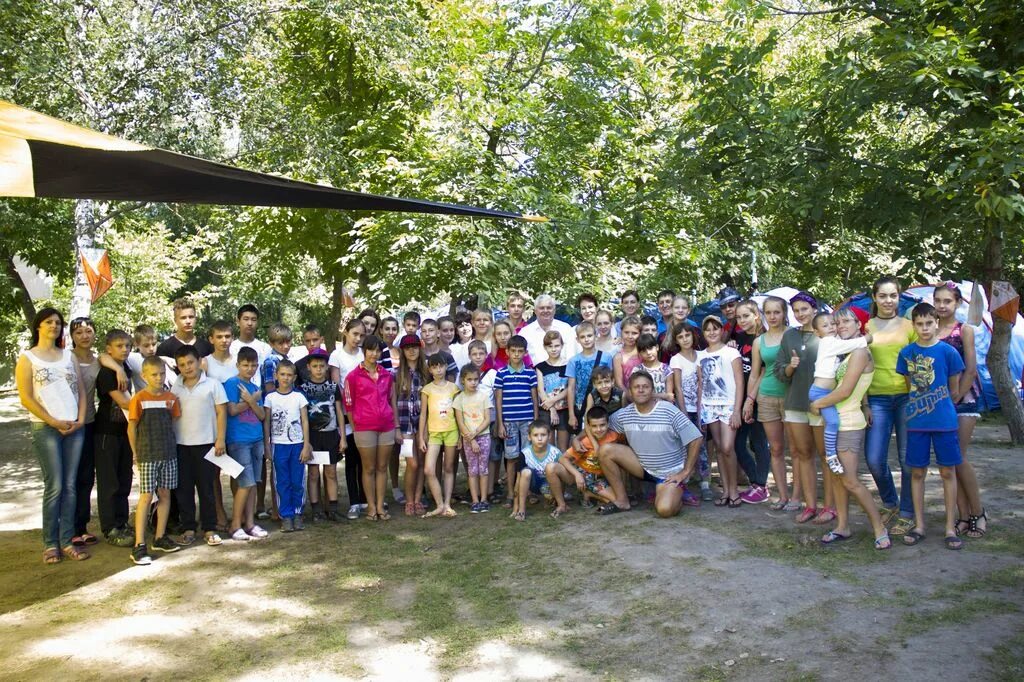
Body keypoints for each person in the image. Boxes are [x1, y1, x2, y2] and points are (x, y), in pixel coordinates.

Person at [808, 309, 891, 549]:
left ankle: (879, 526)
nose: (840, 325)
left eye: (846, 321)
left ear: (858, 324)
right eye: (837, 322)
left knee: (850, 480)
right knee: (836, 478)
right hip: (836, 418)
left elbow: (845, 391)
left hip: (849, 423)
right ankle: (842, 526)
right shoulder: (844, 351)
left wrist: (818, 404)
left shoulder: (859, 352)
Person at [16, 308, 88, 564]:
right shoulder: (28, 358)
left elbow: (80, 389)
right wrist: (52, 421)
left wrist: (80, 420)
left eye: (58, 323)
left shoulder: (68, 356)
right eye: (49, 322)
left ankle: (68, 540)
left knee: (70, 486)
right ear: (38, 326)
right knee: (55, 486)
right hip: (45, 428)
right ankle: (50, 543)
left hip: (73, 428)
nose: (54, 326)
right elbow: (26, 397)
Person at [896, 303, 965, 549]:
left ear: (937, 322)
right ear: (913, 325)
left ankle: (949, 527)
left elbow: (954, 389)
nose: (925, 328)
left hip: (944, 422)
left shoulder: (949, 353)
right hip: (917, 422)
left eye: (929, 323)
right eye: (919, 324)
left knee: (948, 471)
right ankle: (920, 525)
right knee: (917, 472)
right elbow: (909, 386)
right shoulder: (906, 354)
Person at [596, 372, 704, 518]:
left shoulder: (668, 410)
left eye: (645, 387)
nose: (640, 390)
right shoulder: (625, 414)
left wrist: (685, 472)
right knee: (605, 451)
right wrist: (578, 439)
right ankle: (622, 500)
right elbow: (600, 425)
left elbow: (696, 438)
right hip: (643, 467)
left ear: (652, 390)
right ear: (630, 391)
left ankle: (677, 491)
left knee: (664, 510)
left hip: (669, 474)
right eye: (636, 387)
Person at [864, 276, 917, 535]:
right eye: (882, 296)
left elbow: (921, 359)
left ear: (899, 297)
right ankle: (889, 502)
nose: (888, 301)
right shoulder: (866, 326)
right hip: (876, 399)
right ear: (874, 297)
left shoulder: (909, 326)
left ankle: (908, 511)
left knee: (908, 459)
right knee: (874, 459)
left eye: (892, 296)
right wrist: (864, 403)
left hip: (907, 398)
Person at [933, 282, 987, 538]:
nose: (942, 306)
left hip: (963, 400)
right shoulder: (930, 330)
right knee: (948, 462)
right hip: (938, 403)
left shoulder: (963, 330)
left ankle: (978, 513)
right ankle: (963, 516)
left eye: (947, 301)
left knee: (959, 457)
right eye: (938, 301)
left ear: (957, 304)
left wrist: (956, 396)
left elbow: (971, 368)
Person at [775, 291, 829, 522]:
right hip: (795, 402)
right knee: (803, 454)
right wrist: (790, 366)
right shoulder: (789, 337)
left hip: (821, 404)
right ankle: (810, 505)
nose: (800, 314)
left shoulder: (826, 333)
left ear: (814, 309)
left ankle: (830, 505)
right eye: (796, 311)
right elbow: (779, 370)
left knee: (826, 456)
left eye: (804, 309)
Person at [126, 356, 183, 565]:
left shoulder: (171, 398)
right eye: (154, 375)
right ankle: (139, 544)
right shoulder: (139, 398)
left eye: (161, 374)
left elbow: (174, 421)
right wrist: (135, 453)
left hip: (168, 453)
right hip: (147, 455)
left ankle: (159, 537)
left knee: (165, 494)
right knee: (146, 497)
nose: (158, 378)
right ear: (144, 376)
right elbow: (131, 427)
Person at [170, 345, 228, 546]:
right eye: (182, 364)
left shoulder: (213, 385)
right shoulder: (175, 387)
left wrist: (220, 439)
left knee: (207, 488)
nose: (187, 367)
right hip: (181, 445)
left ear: (199, 361)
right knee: (184, 489)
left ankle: (210, 527)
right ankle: (188, 527)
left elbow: (221, 412)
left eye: (190, 362)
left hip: (206, 444)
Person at [807, 312, 872, 474]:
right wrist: (869, 337)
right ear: (817, 332)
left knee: (832, 422)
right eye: (826, 325)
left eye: (833, 324)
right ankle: (831, 456)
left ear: (858, 324)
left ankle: (830, 455)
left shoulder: (838, 344)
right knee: (833, 423)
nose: (833, 327)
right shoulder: (829, 342)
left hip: (825, 393)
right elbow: (860, 342)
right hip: (820, 392)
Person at [344, 335, 398, 521]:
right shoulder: (353, 376)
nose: (374, 354)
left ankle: (381, 506)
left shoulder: (386, 375)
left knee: (382, 467)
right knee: (368, 468)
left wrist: (395, 424)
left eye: (377, 351)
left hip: (386, 426)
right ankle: (371, 507)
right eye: (370, 350)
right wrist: (355, 427)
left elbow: (392, 400)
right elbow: (349, 406)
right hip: (364, 427)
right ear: (364, 350)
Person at [746, 296, 794, 510]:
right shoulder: (759, 341)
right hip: (766, 396)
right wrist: (749, 401)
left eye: (777, 312)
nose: (773, 316)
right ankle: (782, 496)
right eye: (769, 312)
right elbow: (755, 374)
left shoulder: (793, 336)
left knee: (799, 450)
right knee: (775, 449)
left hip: (792, 397)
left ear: (784, 313)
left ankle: (798, 498)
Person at [93, 329, 136, 548]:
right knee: (109, 482)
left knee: (124, 480)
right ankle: (110, 528)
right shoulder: (108, 373)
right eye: (119, 346)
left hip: (124, 432)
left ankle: (122, 521)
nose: (125, 349)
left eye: (128, 345)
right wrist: (154, 403)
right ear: (109, 349)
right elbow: (125, 402)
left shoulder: (124, 367)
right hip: (106, 433)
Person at [222, 346, 269, 540]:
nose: (249, 369)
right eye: (245, 365)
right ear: (238, 365)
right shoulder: (232, 384)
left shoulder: (255, 389)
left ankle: (250, 523)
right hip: (238, 441)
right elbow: (231, 410)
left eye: (253, 365)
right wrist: (251, 401)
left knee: (253, 483)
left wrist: (252, 399)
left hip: (256, 439)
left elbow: (261, 415)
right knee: (245, 482)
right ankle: (235, 525)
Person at [263, 359, 312, 532]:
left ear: (294, 377)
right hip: (278, 445)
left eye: (289, 375)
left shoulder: (299, 397)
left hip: (297, 444)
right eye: (282, 374)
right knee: (281, 481)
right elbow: (267, 422)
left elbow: (305, 421)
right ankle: (286, 515)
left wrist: (306, 445)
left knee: (297, 480)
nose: (285, 378)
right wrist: (267, 445)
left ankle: (298, 513)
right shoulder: (270, 398)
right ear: (276, 375)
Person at [699, 316, 744, 507]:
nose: (712, 332)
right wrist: (701, 409)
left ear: (721, 331)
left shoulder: (731, 353)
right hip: (709, 406)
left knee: (727, 447)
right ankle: (725, 490)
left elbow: (740, 381)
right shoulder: (700, 356)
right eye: (708, 329)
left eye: (715, 328)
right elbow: (701, 383)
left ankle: (734, 490)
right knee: (718, 447)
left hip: (728, 405)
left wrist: (737, 410)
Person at [297, 349, 346, 522]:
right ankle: (316, 509)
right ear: (308, 367)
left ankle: (332, 508)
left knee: (331, 472)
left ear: (327, 367)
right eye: (315, 366)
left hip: (331, 435)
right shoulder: (302, 389)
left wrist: (343, 437)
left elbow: (339, 412)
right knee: (313, 474)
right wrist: (305, 441)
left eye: (322, 366)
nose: (319, 369)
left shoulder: (333, 387)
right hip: (312, 437)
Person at [732, 301, 772, 504]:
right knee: (737, 443)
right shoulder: (738, 337)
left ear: (756, 315)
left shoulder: (764, 337)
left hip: (758, 397)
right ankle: (756, 481)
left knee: (758, 442)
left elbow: (763, 371)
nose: (741, 321)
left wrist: (751, 399)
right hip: (741, 397)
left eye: (745, 316)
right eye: (738, 317)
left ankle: (761, 485)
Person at [669, 322, 712, 502]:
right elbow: (678, 388)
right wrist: (684, 412)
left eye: (687, 335)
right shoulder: (676, 359)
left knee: (702, 447)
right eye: (681, 336)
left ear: (694, 336)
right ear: (676, 340)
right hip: (684, 409)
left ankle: (705, 483)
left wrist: (701, 410)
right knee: (684, 447)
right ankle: (683, 481)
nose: (685, 339)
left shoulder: (702, 355)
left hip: (703, 409)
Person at [495, 335, 539, 507]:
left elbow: (534, 398)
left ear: (525, 352)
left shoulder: (530, 373)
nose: (516, 354)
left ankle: (529, 490)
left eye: (520, 351)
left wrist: (535, 420)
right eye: (513, 351)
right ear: (507, 352)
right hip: (509, 422)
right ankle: (511, 493)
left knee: (528, 456)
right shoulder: (501, 374)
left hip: (527, 420)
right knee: (512, 457)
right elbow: (498, 400)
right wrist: (500, 423)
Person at [329, 319, 367, 520]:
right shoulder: (336, 355)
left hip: (364, 412)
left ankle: (365, 498)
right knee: (351, 458)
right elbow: (336, 385)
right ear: (346, 332)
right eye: (355, 334)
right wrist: (349, 403)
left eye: (361, 335)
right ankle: (354, 502)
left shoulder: (363, 354)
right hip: (346, 412)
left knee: (364, 458)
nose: (358, 339)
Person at [202, 320, 237, 531]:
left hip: (237, 424)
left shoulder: (237, 362)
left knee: (235, 470)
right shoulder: (205, 363)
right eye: (219, 337)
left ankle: (238, 512)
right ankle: (218, 512)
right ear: (211, 339)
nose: (224, 341)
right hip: (214, 424)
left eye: (227, 336)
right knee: (213, 472)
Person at [69, 316, 100, 546]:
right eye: (79, 332)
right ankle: (68, 528)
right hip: (67, 424)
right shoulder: (66, 359)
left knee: (86, 477)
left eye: (88, 331)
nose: (84, 336)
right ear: (71, 337)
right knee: (69, 478)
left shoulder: (99, 361)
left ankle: (82, 526)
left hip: (89, 422)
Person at [420, 353, 461, 518]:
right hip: (434, 433)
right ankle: (439, 504)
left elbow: (459, 413)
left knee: (449, 468)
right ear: (430, 370)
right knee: (429, 469)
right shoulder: (427, 390)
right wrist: (421, 436)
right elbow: (424, 414)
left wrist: (461, 435)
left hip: (452, 431)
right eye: (434, 367)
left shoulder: (453, 388)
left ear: (445, 367)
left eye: (441, 366)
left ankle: (447, 504)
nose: (438, 370)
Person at [511, 421, 572, 521]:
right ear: (529, 437)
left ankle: (559, 503)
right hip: (535, 485)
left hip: (552, 485)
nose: (539, 439)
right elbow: (518, 481)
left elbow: (566, 472)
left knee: (555, 467)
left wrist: (577, 475)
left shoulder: (555, 451)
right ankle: (522, 510)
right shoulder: (524, 454)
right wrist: (516, 506)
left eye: (543, 435)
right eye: (535, 435)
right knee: (525, 472)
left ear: (549, 436)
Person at [395, 334, 427, 515]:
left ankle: (416, 499)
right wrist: (396, 428)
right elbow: (393, 402)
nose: (412, 350)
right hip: (405, 424)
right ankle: (408, 500)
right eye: (408, 348)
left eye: (415, 347)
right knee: (412, 463)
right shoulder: (397, 374)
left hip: (422, 424)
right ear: (403, 351)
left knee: (422, 462)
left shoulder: (427, 373)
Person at [454, 364, 493, 513]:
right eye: (469, 379)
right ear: (463, 380)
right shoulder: (459, 399)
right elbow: (460, 422)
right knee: (472, 469)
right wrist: (471, 440)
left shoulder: (483, 397)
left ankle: (484, 499)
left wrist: (475, 434)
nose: (473, 382)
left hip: (483, 436)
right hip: (468, 438)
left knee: (483, 468)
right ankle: (475, 500)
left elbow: (487, 419)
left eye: (476, 379)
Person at [566, 321, 613, 432]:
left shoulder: (606, 357)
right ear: (577, 340)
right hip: (580, 406)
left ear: (596, 336)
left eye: (589, 336)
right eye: (582, 337)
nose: (586, 339)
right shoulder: (573, 361)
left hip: (602, 405)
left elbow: (611, 382)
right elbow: (571, 388)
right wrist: (571, 414)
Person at [535, 331, 570, 451]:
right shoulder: (540, 367)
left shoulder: (569, 365)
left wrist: (553, 401)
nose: (553, 349)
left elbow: (569, 389)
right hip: (546, 410)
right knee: (548, 448)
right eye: (550, 346)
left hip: (564, 410)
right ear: (545, 347)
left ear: (562, 346)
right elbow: (540, 390)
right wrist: (552, 409)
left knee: (563, 448)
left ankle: (563, 470)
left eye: (556, 346)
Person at [520, 294, 576, 362]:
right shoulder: (525, 333)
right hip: (534, 372)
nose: (545, 311)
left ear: (554, 310)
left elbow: (572, 356)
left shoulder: (566, 329)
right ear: (535, 311)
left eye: (549, 308)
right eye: (542, 308)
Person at [229, 304, 271, 369]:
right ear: (238, 321)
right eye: (246, 319)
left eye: (253, 320)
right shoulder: (230, 348)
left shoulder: (265, 348)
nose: (250, 323)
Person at [635, 333, 673, 404]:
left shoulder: (667, 369)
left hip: (662, 409)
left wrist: (666, 396)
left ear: (657, 347)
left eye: (650, 348)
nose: (648, 353)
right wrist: (663, 395)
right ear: (639, 354)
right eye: (644, 351)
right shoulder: (637, 370)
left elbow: (670, 396)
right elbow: (636, 395)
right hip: (643, 407)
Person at [613, 315, 642, 401]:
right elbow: (619, 383)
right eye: (626, 332)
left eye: (634, 333)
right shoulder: (618, 357)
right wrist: (631, 397)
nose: (630, 336)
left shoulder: (644, 353)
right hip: (628, 399)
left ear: (640, 333)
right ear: (621, 332)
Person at [261, 323, 294, 394]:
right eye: (280, 343)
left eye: (288, 342)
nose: (285, 346)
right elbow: (269, 388)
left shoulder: (285, 359)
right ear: (271, 344)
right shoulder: (270, 361)